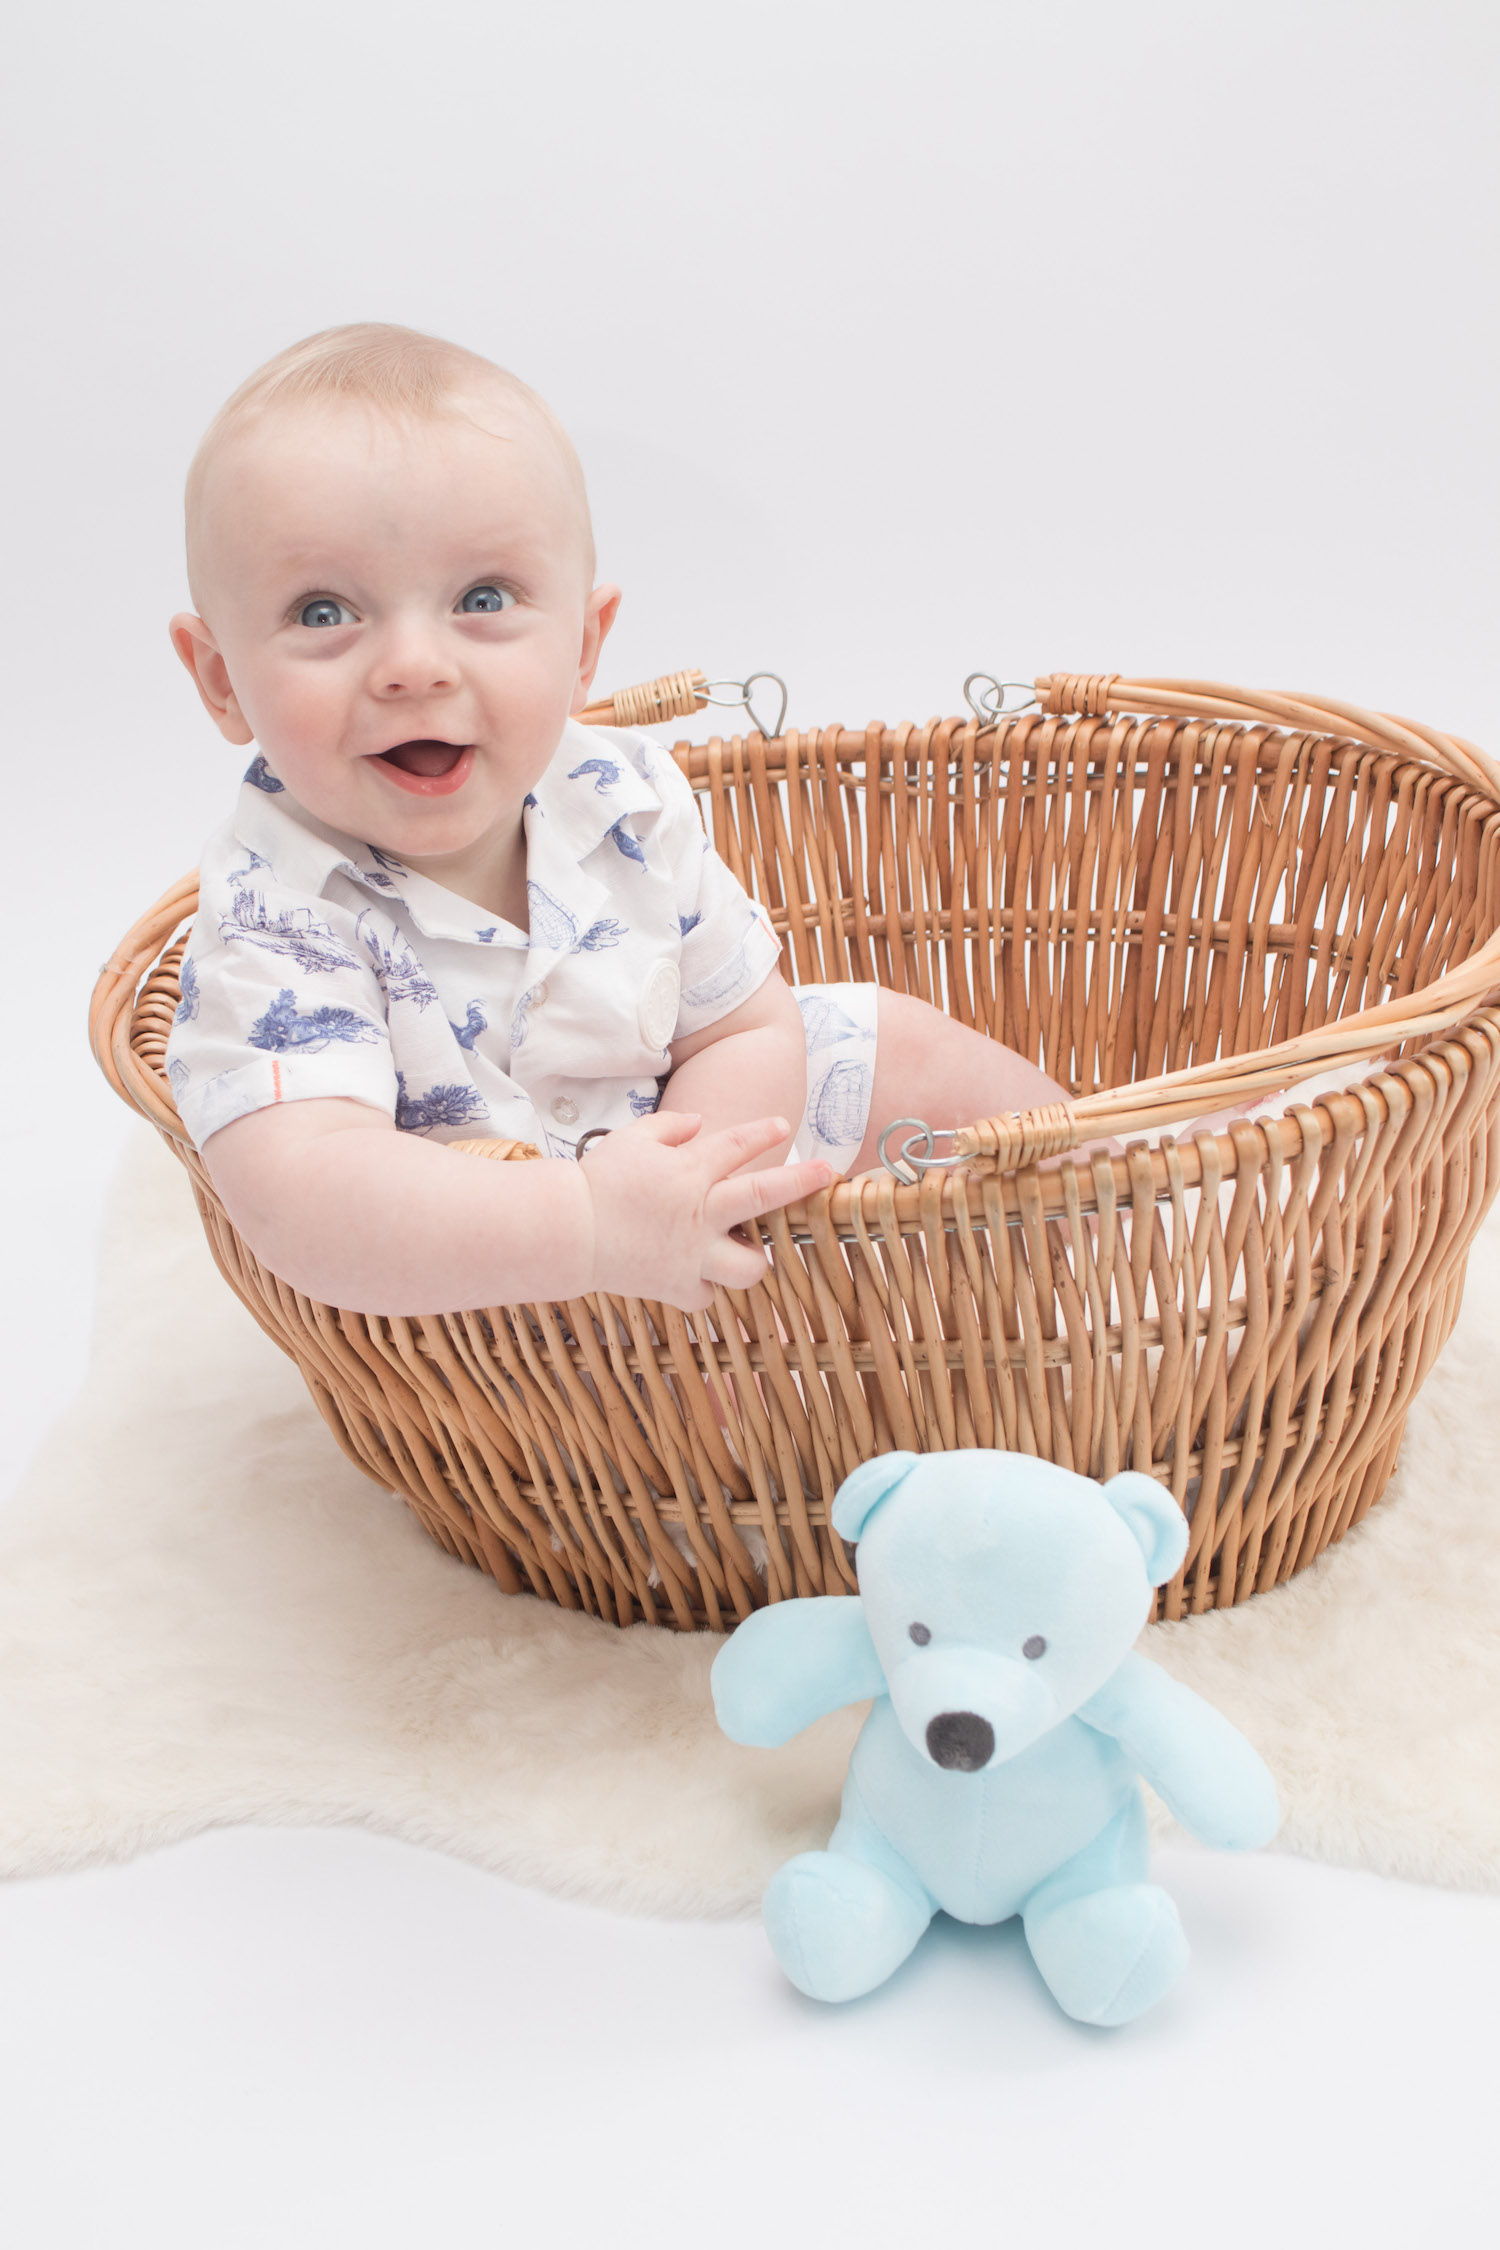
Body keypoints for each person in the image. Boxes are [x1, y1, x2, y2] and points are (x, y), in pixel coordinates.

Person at [166, 323, 1069, 1317]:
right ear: (221, 681)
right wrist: (593, 1228)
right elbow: (307, 1202)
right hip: (492, 1274)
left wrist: (700, 1183)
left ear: (585, 646)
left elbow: (742, 1025)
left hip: (684, 1157)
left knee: (885, 1038)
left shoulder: (621, 795)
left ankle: (1142, 1200)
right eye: (325, 612)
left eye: (483, 597)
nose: (413, 665)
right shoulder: (275, 911)